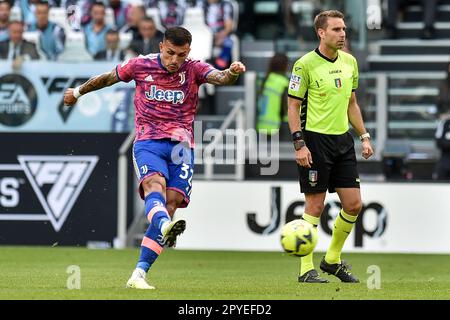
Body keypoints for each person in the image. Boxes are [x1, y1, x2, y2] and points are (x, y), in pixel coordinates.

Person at [63, 26, 246, 289]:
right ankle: (162, 226)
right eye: (170, 53)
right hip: (148, 141)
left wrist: (231, 72)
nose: (175, 60)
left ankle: (139, 274)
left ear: (188, 52)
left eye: (180, 55)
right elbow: (106, 79)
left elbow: (219, 78)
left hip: (181, 147)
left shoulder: (193, 68)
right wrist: (78, 92)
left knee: (171, 203)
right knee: (154, 186)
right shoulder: (139, 65)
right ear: (161, 47)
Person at [287, 10, 373, 283]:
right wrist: (299, 144)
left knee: (354, 204)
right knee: (315, 205)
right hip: (315, 140)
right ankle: (305, 270)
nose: (343, 34)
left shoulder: (350, 62)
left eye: (344, 29)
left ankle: (332, 260)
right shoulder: (304, 65)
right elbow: (292, 105)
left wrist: (364, 136)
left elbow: (352, 104)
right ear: (321, 33)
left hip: (343, 140)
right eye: (336, 29)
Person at [256, 52, 290, 140]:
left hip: (261, 125)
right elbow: (286, 107)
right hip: (278, 127)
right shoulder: (283, 82)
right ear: (285, 65)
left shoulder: (264, 80)